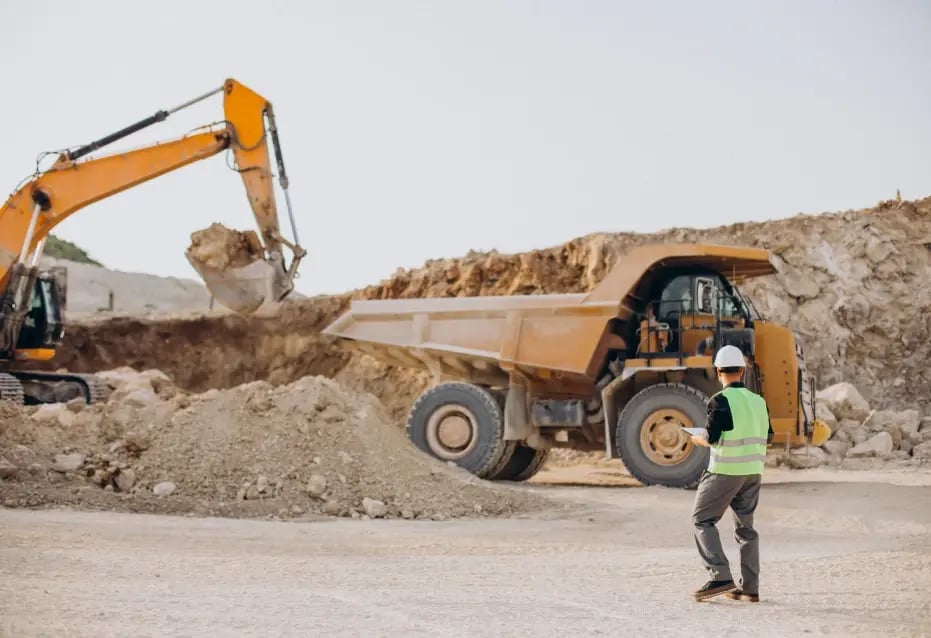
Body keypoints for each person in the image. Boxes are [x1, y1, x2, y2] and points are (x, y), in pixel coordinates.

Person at [688, 344, 774, 603]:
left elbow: (712, 438)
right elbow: (768, 437)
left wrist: (697, 439)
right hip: (753, 473)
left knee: (702, 520)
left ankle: (719, 575)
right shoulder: (759, 402)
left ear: (718, 371)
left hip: (725, 471)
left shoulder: (719, 401)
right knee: (746, 529)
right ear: (742, 371)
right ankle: (750, 588)